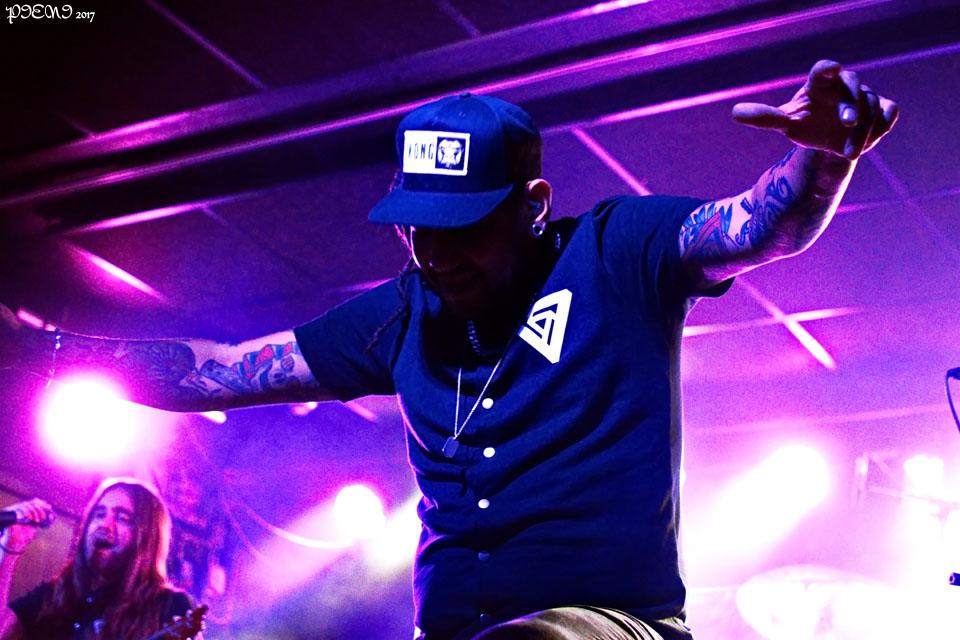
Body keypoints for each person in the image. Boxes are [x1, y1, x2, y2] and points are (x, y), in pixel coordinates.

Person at [0, 59, 897, 639]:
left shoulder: (615, 252)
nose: (433, 251)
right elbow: (221, 371)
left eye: (463, 226)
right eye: (416, 226)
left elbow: (755, 228)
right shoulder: (400, 314)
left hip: (614, 627)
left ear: (532, 205)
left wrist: (823, 163)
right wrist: (45, 354)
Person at [0, 478, 200, 640]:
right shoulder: (57, 592)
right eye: (99, 514)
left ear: (148, 536)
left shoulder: (170, 606)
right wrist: (10, 547)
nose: (105, 525)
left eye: (122, 518)